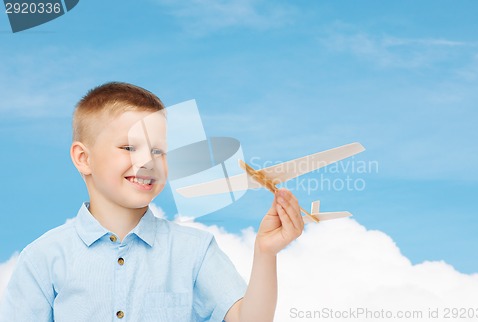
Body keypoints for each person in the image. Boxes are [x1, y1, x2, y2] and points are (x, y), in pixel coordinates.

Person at [0, 82, 304, 322]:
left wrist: (265, 253)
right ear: (84, 158)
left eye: (159, 151)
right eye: (129, 147)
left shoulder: (194, 250)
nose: (147, 162)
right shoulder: (42, 258)